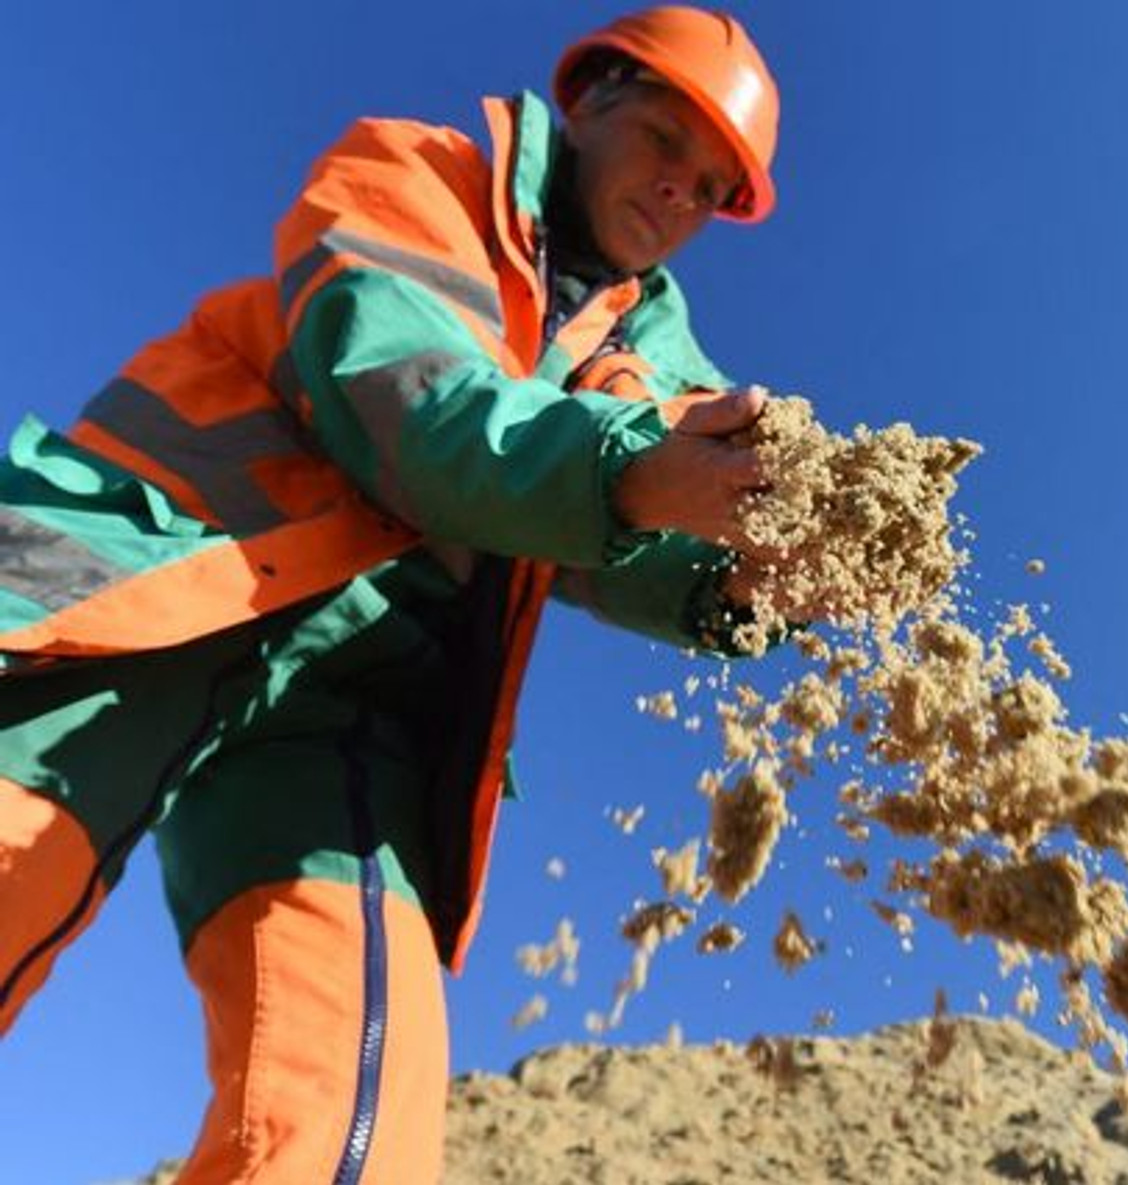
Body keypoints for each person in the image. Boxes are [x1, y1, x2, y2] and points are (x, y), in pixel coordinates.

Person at [0, 7, 789, 1180]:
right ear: (587, 100)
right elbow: (415, 408)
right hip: (150, 591)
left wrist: (757, 568)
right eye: (671, 141)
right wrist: (632, 468)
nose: (681, 194)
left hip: (351, 729)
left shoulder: (647, 357)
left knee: (342, 1131)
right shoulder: (415, 175)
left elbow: (656, 499)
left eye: (714, 187)